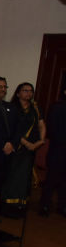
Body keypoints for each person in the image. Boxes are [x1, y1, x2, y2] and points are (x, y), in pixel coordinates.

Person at [1, 82, 46, 217]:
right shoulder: (12, 108)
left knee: (24, 178)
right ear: (18, 93)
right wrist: (26, 143)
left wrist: (39, 142)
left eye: (30, 91)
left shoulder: (35, 108)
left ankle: (20, 206)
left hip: (30, 149)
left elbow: (41, 125)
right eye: (25, 90)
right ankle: (8, 207)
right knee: (13, 177)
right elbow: (11, 129)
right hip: (16, 147)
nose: (28, 93)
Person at [40, 86, 66, 217]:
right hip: (58, 149)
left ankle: (62, 206)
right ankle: (44, 205)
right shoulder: (57, 107)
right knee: (51, 179)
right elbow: (52, 128)